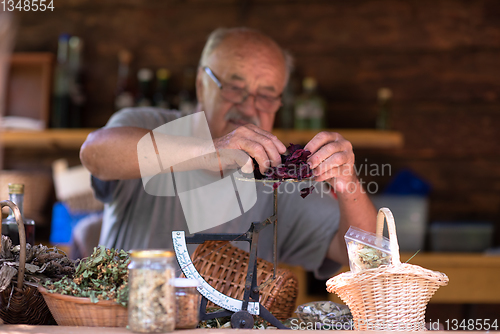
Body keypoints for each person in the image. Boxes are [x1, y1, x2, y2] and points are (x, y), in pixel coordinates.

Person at [80, 27, 376, 279]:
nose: (248, 107)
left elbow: (367, 259)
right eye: (234, 88)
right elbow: (94, 154)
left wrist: (346, 183)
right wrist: (211, 150)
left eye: (266, 95)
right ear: (200, 84)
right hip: (124, 319)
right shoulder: (146, 125)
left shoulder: (276, 171)